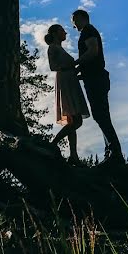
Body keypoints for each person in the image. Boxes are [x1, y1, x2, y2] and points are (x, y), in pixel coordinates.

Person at [72, 9, 125, 165]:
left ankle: (115, 153)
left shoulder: (88, 30)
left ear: (81, 18)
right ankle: (110, 153)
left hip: (96, 79)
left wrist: (75, 64)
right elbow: (91, 59)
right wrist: (80, 72)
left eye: (74, 20)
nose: (73, 25)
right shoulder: (88, 32)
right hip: (94, 78)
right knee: (100, 115)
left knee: (101, 115)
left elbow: (93, 51)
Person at [45, 24, 89, 165]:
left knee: (72, 120)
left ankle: (73, 156)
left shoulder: (59, 48)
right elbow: (53, 66)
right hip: (65, 81)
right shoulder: (53, 47)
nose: (65, 33)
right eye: (63, 31)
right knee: (77, 121)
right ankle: (53, 143)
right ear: (56, 33)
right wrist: (71, 67)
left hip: (70, 80)